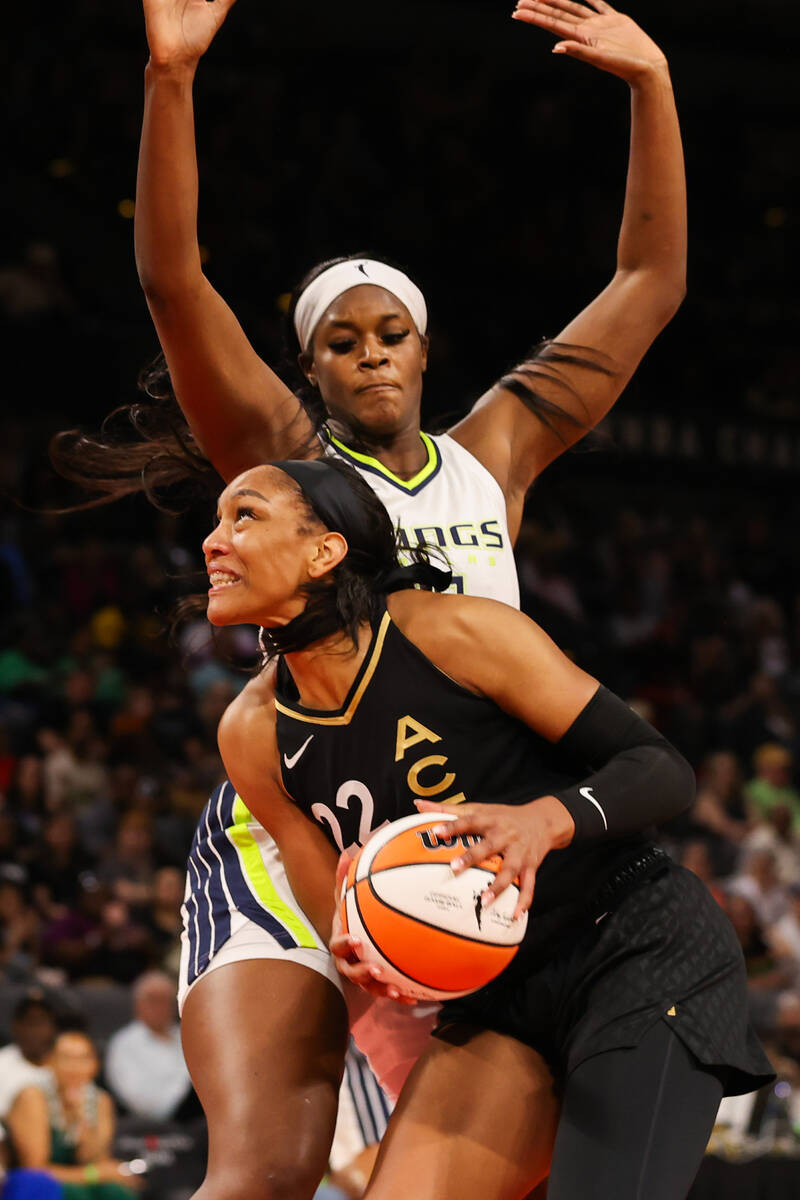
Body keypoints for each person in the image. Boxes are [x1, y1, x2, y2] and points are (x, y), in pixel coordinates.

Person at [54, 0, 688, 1193]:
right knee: (263, 1175)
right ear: (310, 368)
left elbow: (649, 279)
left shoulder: (491, 452)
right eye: (340, 342)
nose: (370, 354)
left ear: (425, 348)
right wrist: (170, 76)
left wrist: (652, 86)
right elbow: (171, 279)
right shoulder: (288, 461)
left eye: (390, 334)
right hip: (292, 838)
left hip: (446, 852)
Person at [203, 456, 772, 1199]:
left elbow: (661, 767)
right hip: (500, 998)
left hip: (636, 942)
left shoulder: (454, 634)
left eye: (244, 515)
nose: (213, 540)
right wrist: (367, 955)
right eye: (215, 522)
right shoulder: (251, 733)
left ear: (325, 550)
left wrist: (546, 820)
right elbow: (340, 921)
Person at [6, 1030, 140, 1198]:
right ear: (50, 1061)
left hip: (78, 1177)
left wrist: (82, 1120)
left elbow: (96, 1161)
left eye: (83, 1059)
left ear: (95, 1065)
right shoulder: (33, 1097)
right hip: (34, 1184)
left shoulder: (100, 1101)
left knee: (116, 1192)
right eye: (66, 1058)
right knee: (76, 1194)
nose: (75, 1067)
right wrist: (94, 1174)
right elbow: (35, 1169)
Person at [104, 971, 193, 1121]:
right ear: (138, 1004)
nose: (160, 1007)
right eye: (153, 1000)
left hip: (195, 1118)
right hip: (145, 1126)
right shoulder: (124, 1043)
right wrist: (184, 1096)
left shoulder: (189, 1037)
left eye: (166, 1001)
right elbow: (139, 1100)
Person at [0, 990, 59, 1121]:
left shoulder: (65, 1062)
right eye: (30, 1022)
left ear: (54, 1027)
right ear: (15, 1027)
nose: (36, 1031)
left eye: (42, 1022)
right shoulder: (2, 1063)